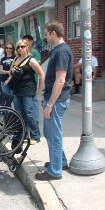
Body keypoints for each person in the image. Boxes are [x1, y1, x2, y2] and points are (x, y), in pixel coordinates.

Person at [35, 20, 74, 181]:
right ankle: (60, 162)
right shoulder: (59, 50)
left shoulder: (61, 52)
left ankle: (55, 170)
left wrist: (49, 104)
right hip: (56, 99)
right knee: (52, 134)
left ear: (53, 33)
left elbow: (60, 80)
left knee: (53, 135)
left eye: (46, 34)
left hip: (57, 101)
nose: (45, 37)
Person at [6, 40, 45, 145]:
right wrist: (11, 74)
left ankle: (35, 136)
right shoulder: (15, 59)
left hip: (28, 89)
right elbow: (10, 72)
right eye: (18, 47)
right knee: (19, 113)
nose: (20, 49)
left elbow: (41, 74)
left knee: (29, 113)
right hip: (17, 89)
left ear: (27, 47)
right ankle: (22, 135)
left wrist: (40, 89)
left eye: (22, 46)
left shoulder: (31, 60)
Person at [22, 35, 42, 130]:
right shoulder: (24, 52)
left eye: (26, 41)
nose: (24, 44)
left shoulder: (35, 53)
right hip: (24, 83)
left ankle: (35, 121)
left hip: (33, 80)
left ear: (31, 41)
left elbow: (37, 66)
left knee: (33, 101)